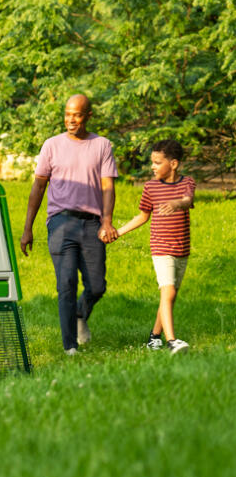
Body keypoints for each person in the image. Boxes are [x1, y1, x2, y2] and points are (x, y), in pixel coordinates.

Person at [21, 94, 119, 355]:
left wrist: (106, 221)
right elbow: (38, 186)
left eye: (76, 114)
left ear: (88, 116)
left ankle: (79, 314)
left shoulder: (102, 146)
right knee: (65, 284)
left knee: (97, 285)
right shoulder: (51, 146)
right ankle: (70, 347)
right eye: (67, 114)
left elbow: (108, 187)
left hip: (91, 223)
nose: (70, 119)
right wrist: (28, 228)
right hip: (61, 221)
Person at [114, 138, 194, 354]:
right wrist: (118, 232)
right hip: (161, 248)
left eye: (158, 162)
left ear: (174, 164)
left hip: (182, 249)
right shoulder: (150, 187)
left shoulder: (187, 183)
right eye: (153, 162)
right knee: (167, 292)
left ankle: (154, 337)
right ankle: (172, 342)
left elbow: (187, 200)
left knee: (171, 296)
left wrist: (177, 203)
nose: (153, 166)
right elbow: (142, 216)